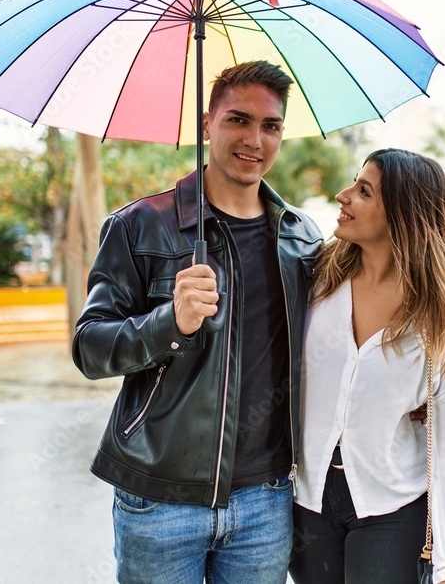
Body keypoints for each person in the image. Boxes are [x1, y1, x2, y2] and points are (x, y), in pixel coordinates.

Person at [73, 60, 323, 583]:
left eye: (271, 125)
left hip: (267, 501)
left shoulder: (301, 238)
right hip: (160, 496)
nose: (255, 139)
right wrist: (169, 322)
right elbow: (90, 348)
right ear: (206, 123)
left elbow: (337, 338)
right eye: (238, 120)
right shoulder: (140, 226)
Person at [290, 148, 445, 584]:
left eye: (364, 191)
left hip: (392, 505)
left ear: (403, 213)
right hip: (307, 503)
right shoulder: (319, 280)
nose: (343, 196)